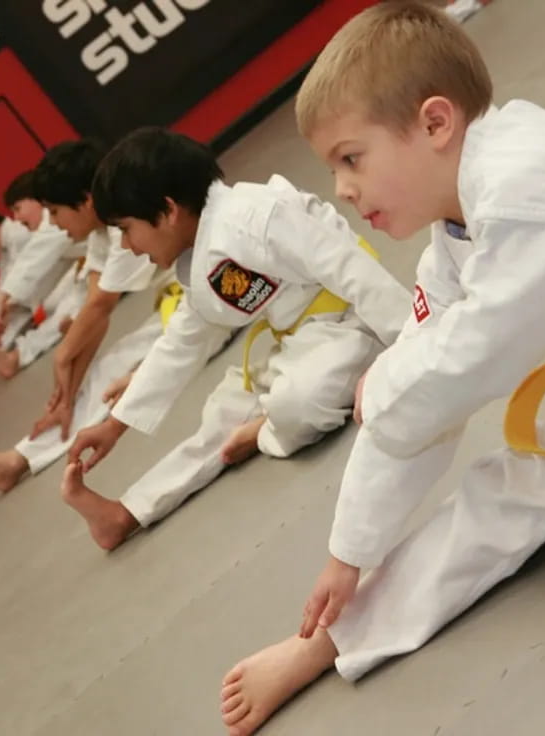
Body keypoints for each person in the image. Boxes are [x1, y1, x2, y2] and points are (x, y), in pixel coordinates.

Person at [220, 4, 545, 734]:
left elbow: (475, 360)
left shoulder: (526, 179)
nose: (342, 190)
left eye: (352, 158)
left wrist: (385, 387)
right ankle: (340, 632)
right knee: (535, 466)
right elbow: (418, 396)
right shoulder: (452, 242)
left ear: (435, 124)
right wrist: (349, 554)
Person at [62, 127, 409, 551]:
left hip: (353, 324)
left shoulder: (257, 217)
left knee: (296, 402)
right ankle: (128, 511)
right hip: (298, 341)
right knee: (221, 412)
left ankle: (266, 428)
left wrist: (414, 341)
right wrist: (114, 427)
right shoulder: (202, 253)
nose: (128, 246)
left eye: (127, 229)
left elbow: (350, 269)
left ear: (168, 210)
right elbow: (182, 342)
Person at [0, 139, 169, 492]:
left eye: (54, 210)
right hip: (176, 307)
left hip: (208, 298)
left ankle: (18, 460)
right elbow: (97, 313)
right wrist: (66, 394)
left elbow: (100, 306)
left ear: (85, 199)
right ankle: (19, 457)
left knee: (115, 372)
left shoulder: (123, 220)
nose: (52, 223)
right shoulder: (100, 233)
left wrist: (63, 358)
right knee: (104, 368)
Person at [0, 174, 83, 378]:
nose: (17, 218)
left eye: (18, 208)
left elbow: (31, 264)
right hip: (76, 271)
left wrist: (3, 301)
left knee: (68, 306)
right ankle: (5, 352)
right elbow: (25, 270)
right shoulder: (36, 229)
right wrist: (2, 303)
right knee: (59, 308)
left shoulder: (33, 229)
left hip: (81, 271)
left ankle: (14, 353)